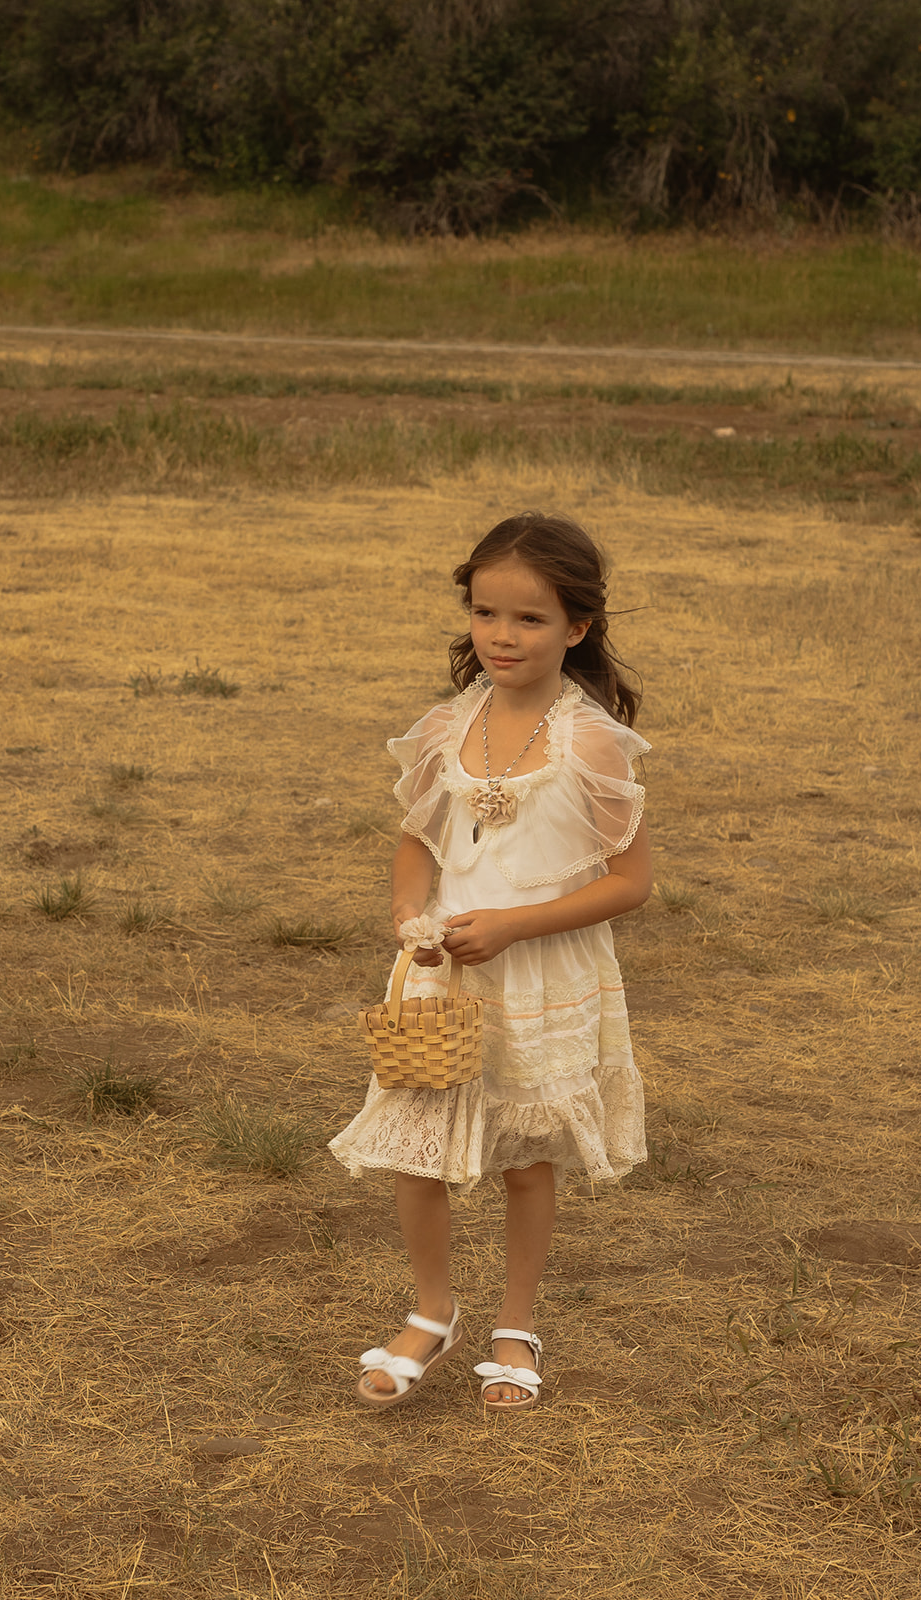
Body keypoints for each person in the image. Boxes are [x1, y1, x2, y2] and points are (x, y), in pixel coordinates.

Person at [329, 510, 651, 1412]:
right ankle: (433, 1312)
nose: (503, 637)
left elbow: (631, 883)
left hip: (539, 968)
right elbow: (416, 842)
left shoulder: (588, 743)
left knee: (525, 1156)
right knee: (416, 1146)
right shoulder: (446, 728)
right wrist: (408, 909)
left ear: (578, 627)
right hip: (444, 973)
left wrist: (514, 923)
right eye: (486, 614)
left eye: (530, 619)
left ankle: (517, 1321)